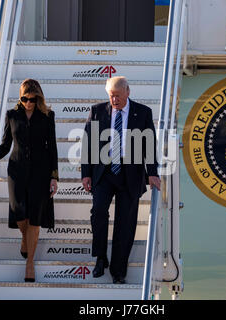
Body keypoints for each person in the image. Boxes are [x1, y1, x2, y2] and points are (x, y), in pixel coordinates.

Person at [0, 78, 58, 282]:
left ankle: (30, 264)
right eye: (25, 98)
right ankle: (24, 238)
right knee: (20, 213)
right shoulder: (12, 115)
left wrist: (54, 177)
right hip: (17, 172)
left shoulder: (47, 115)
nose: (29, 102)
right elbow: (5, 145)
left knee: (35, 218)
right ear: (20, 97)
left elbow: (52, 147)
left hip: (40, 173)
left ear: (39, 97)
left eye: (32, 99)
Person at [81, 76, 161, 284]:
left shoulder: (143, 112)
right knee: (98, 211)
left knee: (125, 223)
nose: (114, 100)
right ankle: (100, 258)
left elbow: (149, 145)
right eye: (111, 96)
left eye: (117, 95)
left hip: (130, 174)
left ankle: (118, 271)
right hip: (104, 172)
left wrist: (152, 172)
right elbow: (88, 143)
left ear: (128, 92)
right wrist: (86, 173)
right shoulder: (97, 111)